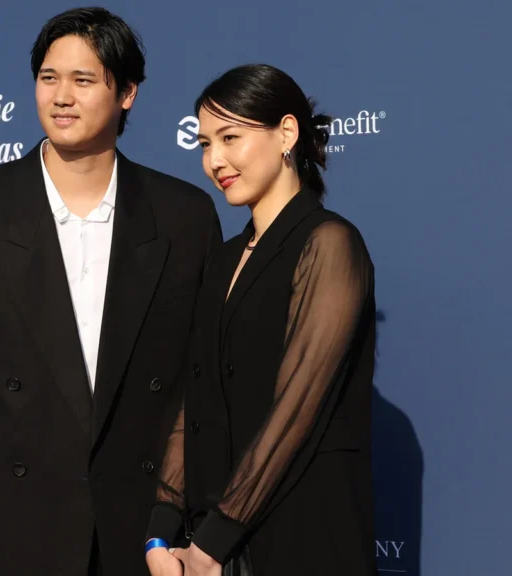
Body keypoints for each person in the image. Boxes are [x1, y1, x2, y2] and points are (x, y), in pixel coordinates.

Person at [0, 7, 222, 576]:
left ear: (127, 94)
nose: (61, 96)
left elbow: (199, 393)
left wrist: (193, 529)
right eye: (49, 78)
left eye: (83, 79)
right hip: (5, 530)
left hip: (143, 538)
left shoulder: (183, 216)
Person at [144, 64, 377, 576]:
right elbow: (195, 405)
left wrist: (210, 545)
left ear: (287, 133)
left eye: (230, 137)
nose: (215, 160)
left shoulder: (329, 244)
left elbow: (297, 409)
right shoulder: (223, 259)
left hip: (303, 537)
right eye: (205, 144)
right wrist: (160, 531)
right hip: (212, 545)